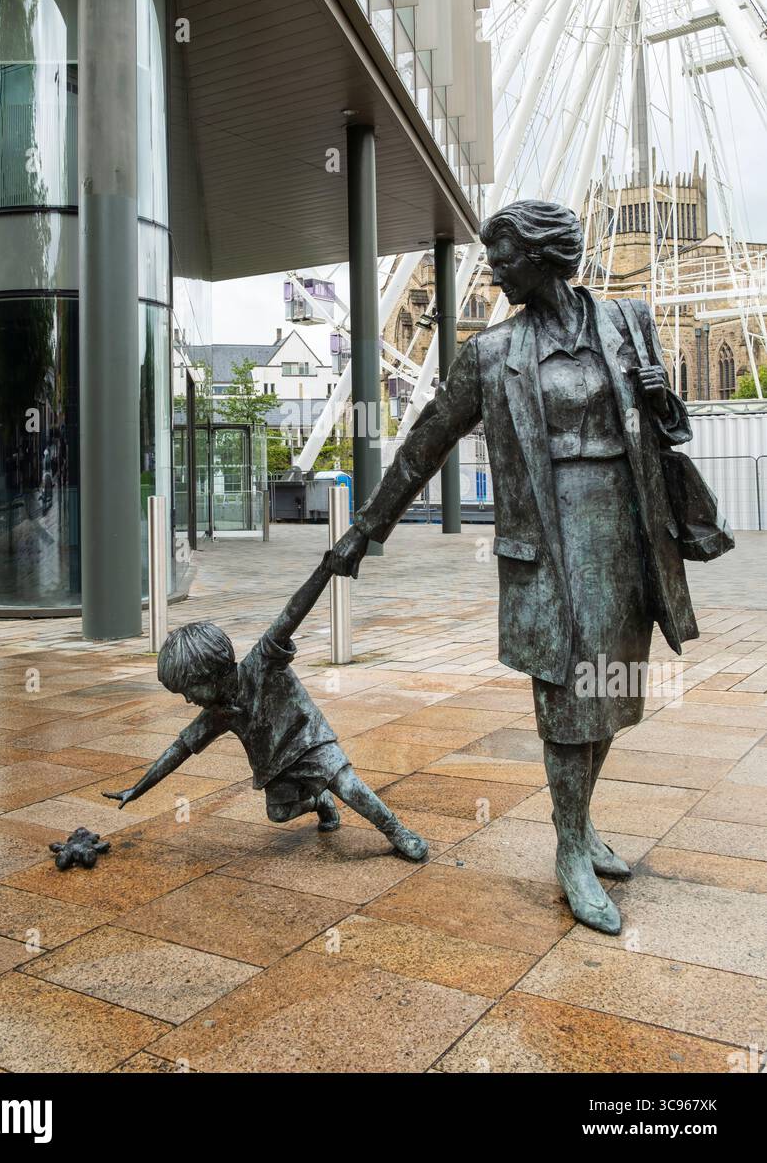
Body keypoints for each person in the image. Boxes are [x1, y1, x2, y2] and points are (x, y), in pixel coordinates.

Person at [329, 200, 700, 934]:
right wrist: (368, 528)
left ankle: (584, 823)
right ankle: (568, 850)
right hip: (551, 538)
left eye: (504, 256)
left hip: (628, 530)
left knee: (613, 688)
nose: (493, 270)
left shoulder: (628, 321)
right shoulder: (493, 354)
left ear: (545, 256)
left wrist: (665, 401)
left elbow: (670, 427)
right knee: (566, 696)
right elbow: (425, 443)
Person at [103, 559, 428, 861]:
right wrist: (138, 788)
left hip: (309, 739)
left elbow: (294, 610)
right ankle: (319, 801)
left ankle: (396, 831)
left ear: (210, 672)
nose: (188, 699)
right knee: (280, 814)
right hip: (275, 764)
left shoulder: (262, 662)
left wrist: (326, 569)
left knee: (349, 786)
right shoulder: (219, 711)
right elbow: (179, 750)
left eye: (189, 689)